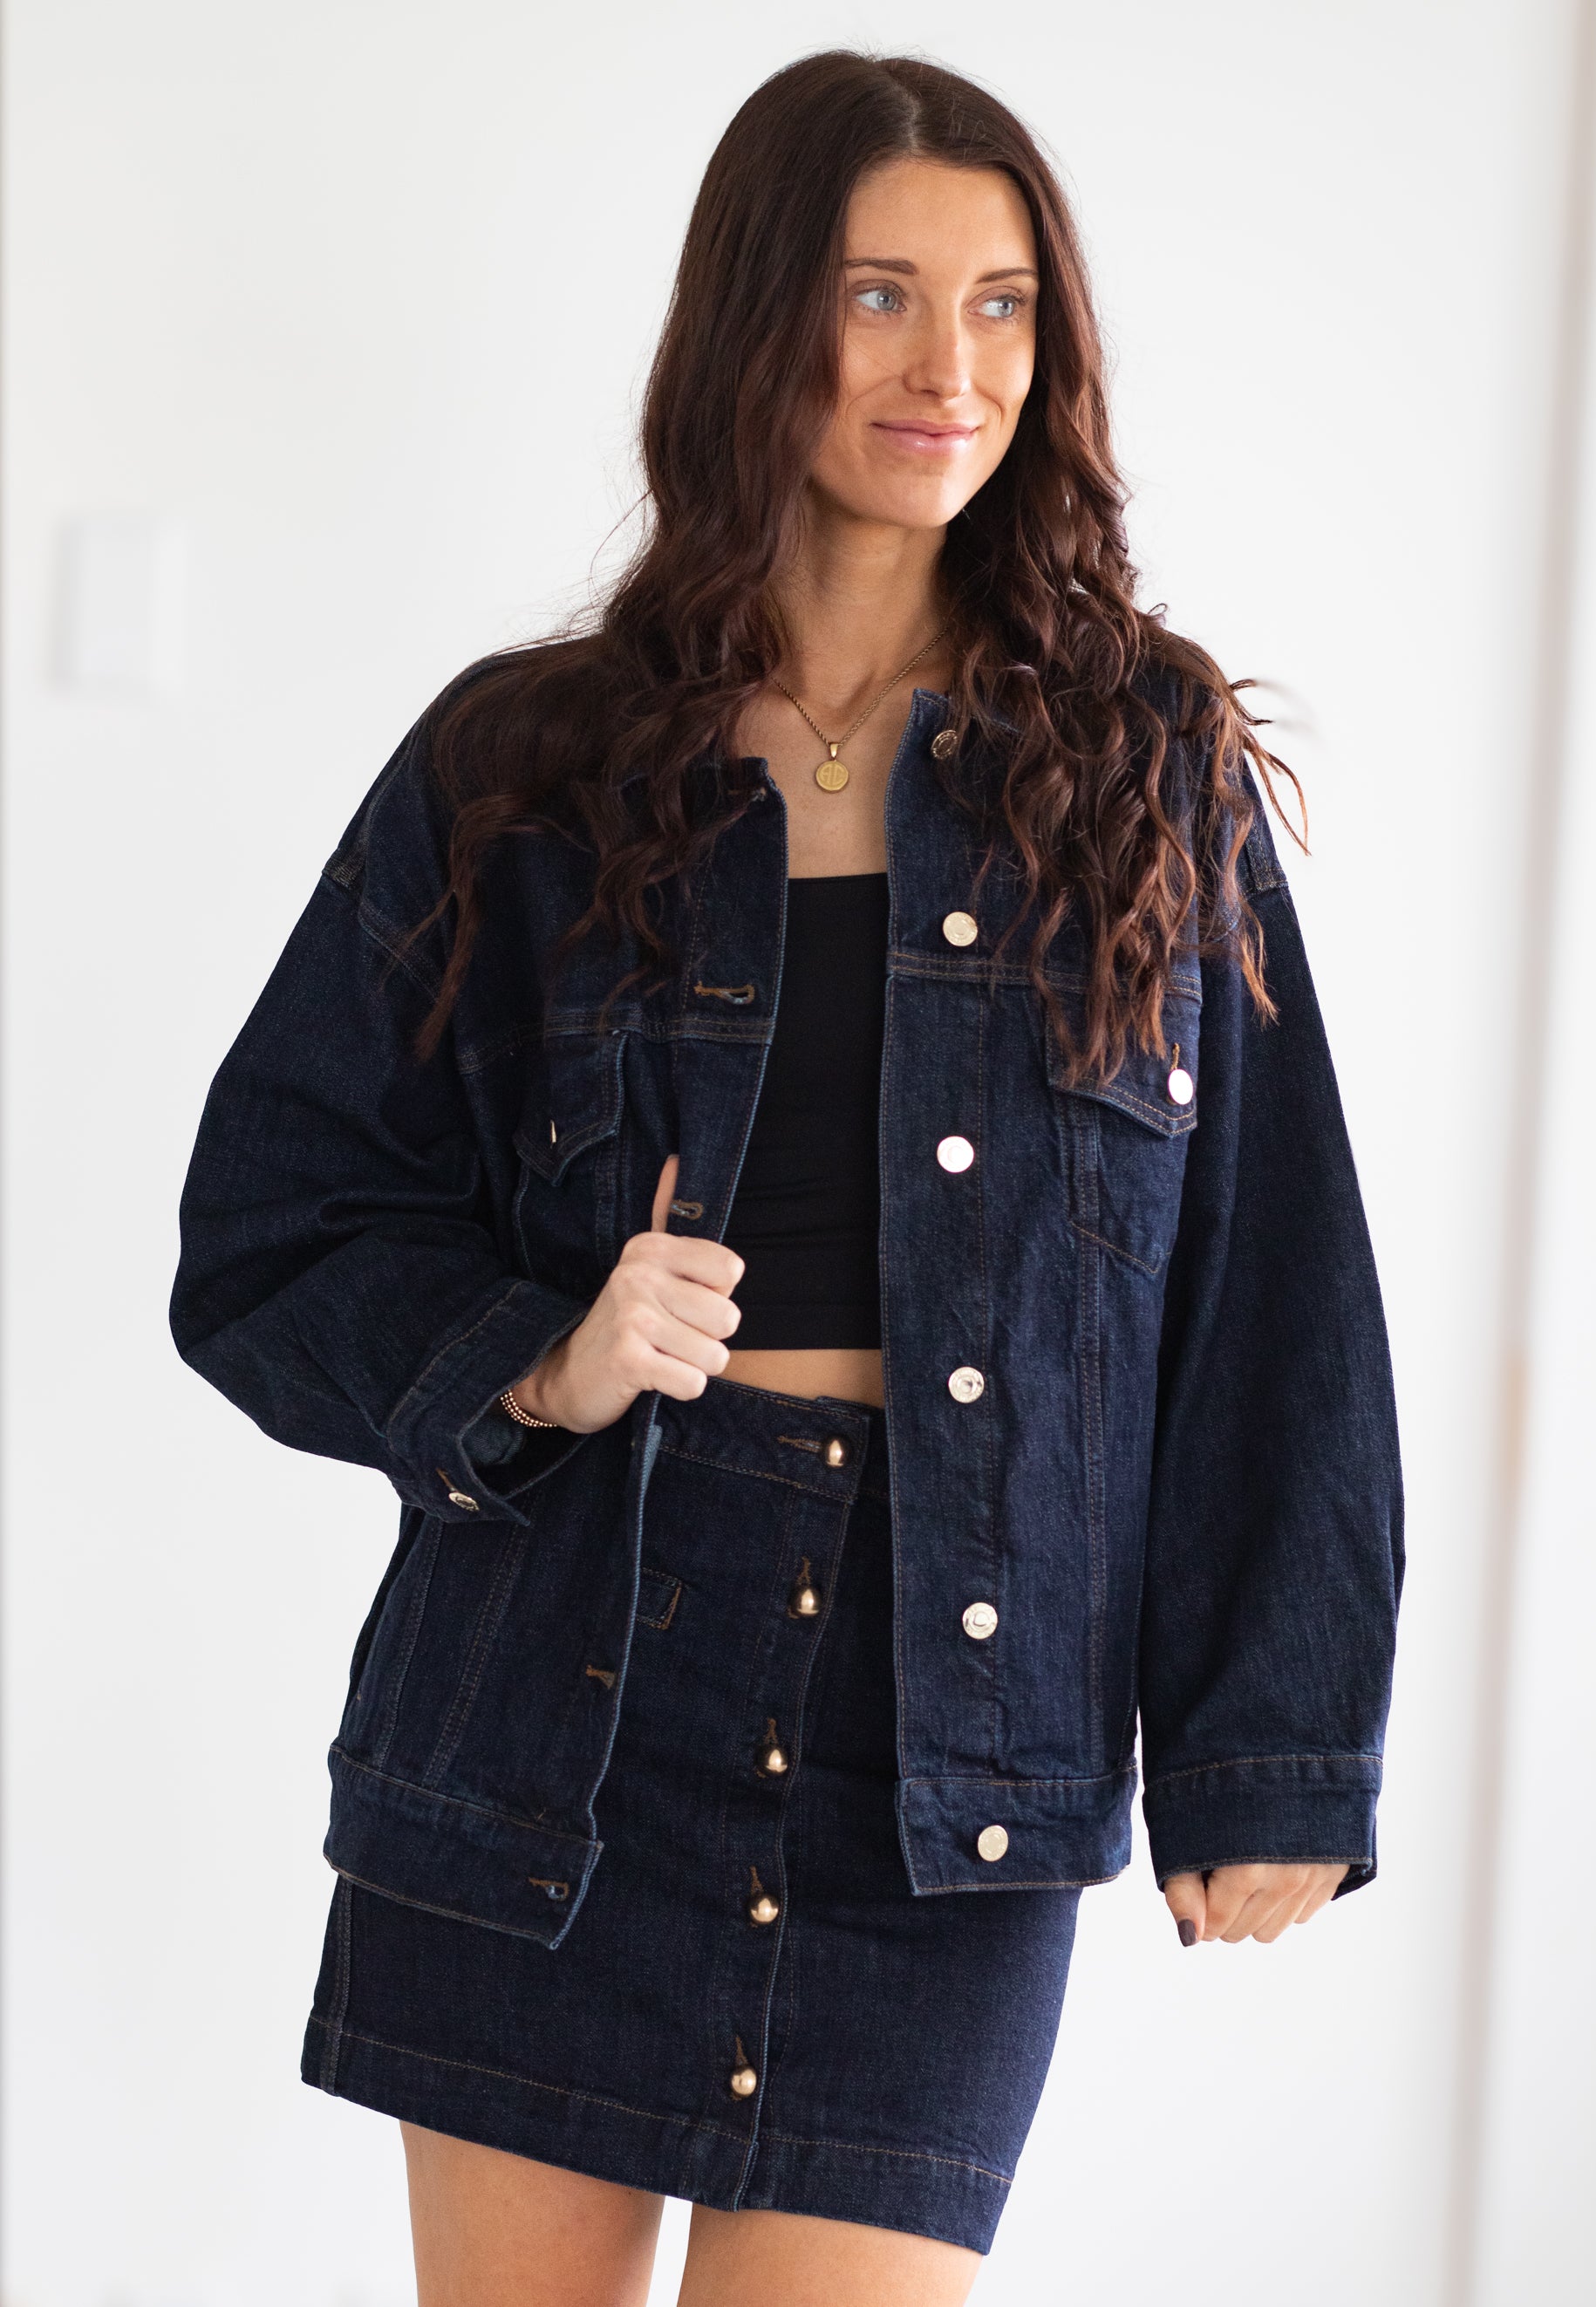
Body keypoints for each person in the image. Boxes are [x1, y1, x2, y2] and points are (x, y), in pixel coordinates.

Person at [171, 49, 1402, 2307]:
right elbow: (269, 1221)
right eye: (879, 296)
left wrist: (1273, 1748)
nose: (953, 369)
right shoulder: (521, 770)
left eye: (1005, 305)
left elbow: (1275, 1280)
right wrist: (530, 1361)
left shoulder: (1135, 772)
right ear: (757, 322)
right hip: (562, 1700)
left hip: (947, 1757)